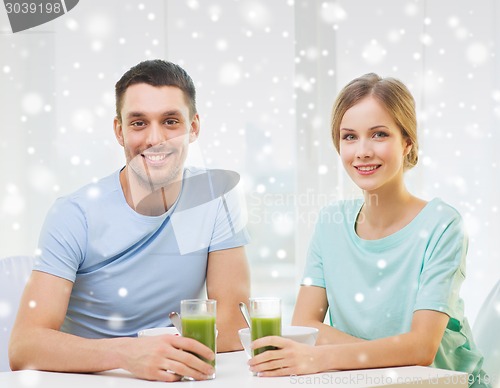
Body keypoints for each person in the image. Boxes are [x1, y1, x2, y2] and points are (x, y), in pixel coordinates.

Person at [9, 59, 251, 382]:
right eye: (138, 123)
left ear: (193, 128)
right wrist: (127, 353)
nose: (155, 139)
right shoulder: (74, 214)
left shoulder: (214, 197)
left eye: (170, 121)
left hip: (175, 376)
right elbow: (24, 346)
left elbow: (235, 325)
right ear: (119, 131)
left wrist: (162, 355)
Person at [248, 73, 490, 387]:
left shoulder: (443, 225)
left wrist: (320, 357)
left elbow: (421, 348)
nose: (362, 151)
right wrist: (386, 355)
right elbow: (305, 323)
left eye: (378, 134)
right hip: (366, 381)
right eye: (349, 137)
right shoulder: (330, 222)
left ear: (407, 142)